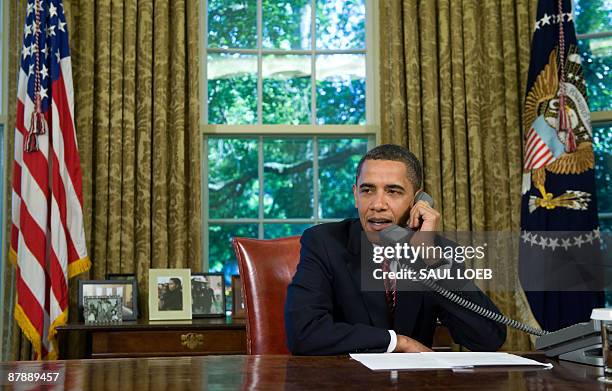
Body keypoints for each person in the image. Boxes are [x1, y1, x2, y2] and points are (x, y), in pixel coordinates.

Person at [284, 144, 506, 355]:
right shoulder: (324, 242)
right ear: (355, 195)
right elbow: (304, 333)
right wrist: (398, 342)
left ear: (418, 201)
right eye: (367, 190)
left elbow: (489, 338)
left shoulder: (437, 252)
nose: (378, 204)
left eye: (393, 191)